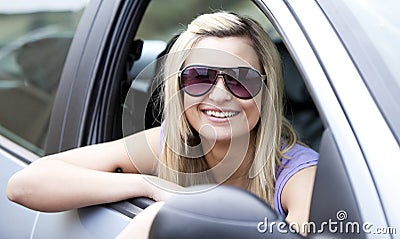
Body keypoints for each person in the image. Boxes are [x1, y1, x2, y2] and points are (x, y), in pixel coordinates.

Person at [6, 11, 318, 237]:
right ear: (178, 89)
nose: (219, 95)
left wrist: (178, 214)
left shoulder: (299, 173)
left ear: (267, 91)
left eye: (241, 80)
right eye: (200, 78)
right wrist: (148, 186)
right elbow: (24, 185)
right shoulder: (169, 144)